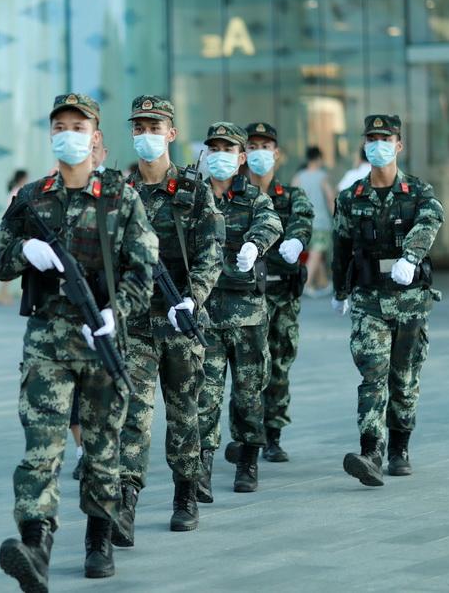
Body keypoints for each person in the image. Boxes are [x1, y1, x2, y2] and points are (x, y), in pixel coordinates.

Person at [0, 93, 157, 587]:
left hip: (101, 338)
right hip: (47, 342)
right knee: (42, 446)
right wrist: (24, 250)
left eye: (78, 126)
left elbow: (144, 267)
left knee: (103, 444)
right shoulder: (31, 198)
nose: (68, 133)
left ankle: (99, 538)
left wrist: (112, 312)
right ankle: (36, 544)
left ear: (95, 135)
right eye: (60, 125)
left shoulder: (121, 198)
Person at [111, 96, 223, 548]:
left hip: (180, 320)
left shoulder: (195, 190)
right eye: (138, 126)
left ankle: (185, 495)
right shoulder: (119, 190)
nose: (145, 134)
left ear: (171, 133)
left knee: (184, 412)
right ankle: (126, 499)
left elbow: (211, 251)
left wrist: (192, 300)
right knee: (134, 415)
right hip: (136, 321)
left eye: (154, 126)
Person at [331, 114, 444, 487]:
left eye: (386, 138)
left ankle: (400, 446)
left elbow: (430, 221)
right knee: (372, 375)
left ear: (399, 145)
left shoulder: (419, 192)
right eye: (372, 138)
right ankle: (371, 451)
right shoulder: (351, 198)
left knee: (405, 379)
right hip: (369, 300)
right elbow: (342, 245)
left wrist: (411, 257)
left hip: (410, 300)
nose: (378, 144)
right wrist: (339, 290)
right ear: (364, 145)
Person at [196, 122, 282, 501]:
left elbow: (271, 221)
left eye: (228, 150)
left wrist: (255, 243)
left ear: (241, 158)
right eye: (214, 149)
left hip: (247, 314)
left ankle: (248, 458)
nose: (220, 156)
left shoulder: (252, 197)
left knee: (249, 392)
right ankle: (201, 466)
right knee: (206, 394)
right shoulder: (193, 196)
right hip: (206, 314)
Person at [223, 122, 313, 465]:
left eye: (267, 145)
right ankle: (243, 436)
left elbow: (302, 222)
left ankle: (272, 434)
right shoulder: (235, 196)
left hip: (281, 295)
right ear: (245, 155)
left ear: (277, 153)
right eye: (254, 145)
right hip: (246, 296)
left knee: (278, 366)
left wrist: (296, 239)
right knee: (244, 368)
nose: (261, 151)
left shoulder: (291, 197)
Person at [292, 146, 334, 296]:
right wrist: (335, 214)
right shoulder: (322, 176)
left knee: (316, 252)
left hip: (303, 222)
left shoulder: (299, 176)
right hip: (320, 221)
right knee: (316, 253)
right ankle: (305, 284)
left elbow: (292, 197)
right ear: (318, 158)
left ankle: (323, 283)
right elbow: (329, 198)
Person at [0, 170, 29, 305]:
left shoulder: (16, 191)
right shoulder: (18, 192)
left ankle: (5, 294)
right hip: (16, 232)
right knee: (13, 264)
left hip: (14, 231)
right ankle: (2, 293)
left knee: (16, 264)